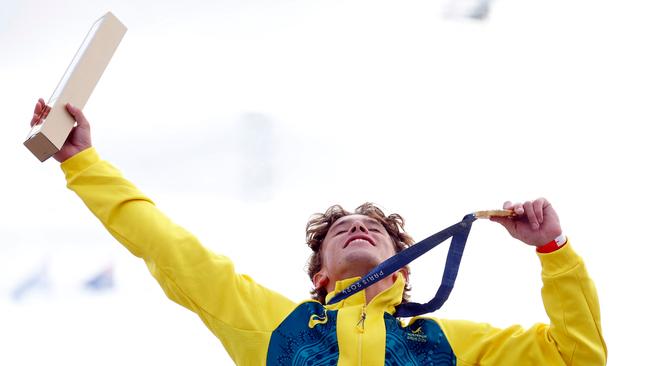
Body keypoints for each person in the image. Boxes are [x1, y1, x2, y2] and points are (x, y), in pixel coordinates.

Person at [31, 99, 607, 365]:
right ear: (320, 273)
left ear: (403, 269)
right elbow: (163, 242)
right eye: (343, 230)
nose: (358, 227)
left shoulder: (449, 344)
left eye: (374, 228)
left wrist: (555, 253)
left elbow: (579, 359)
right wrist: (82, 163)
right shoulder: (268, 324)